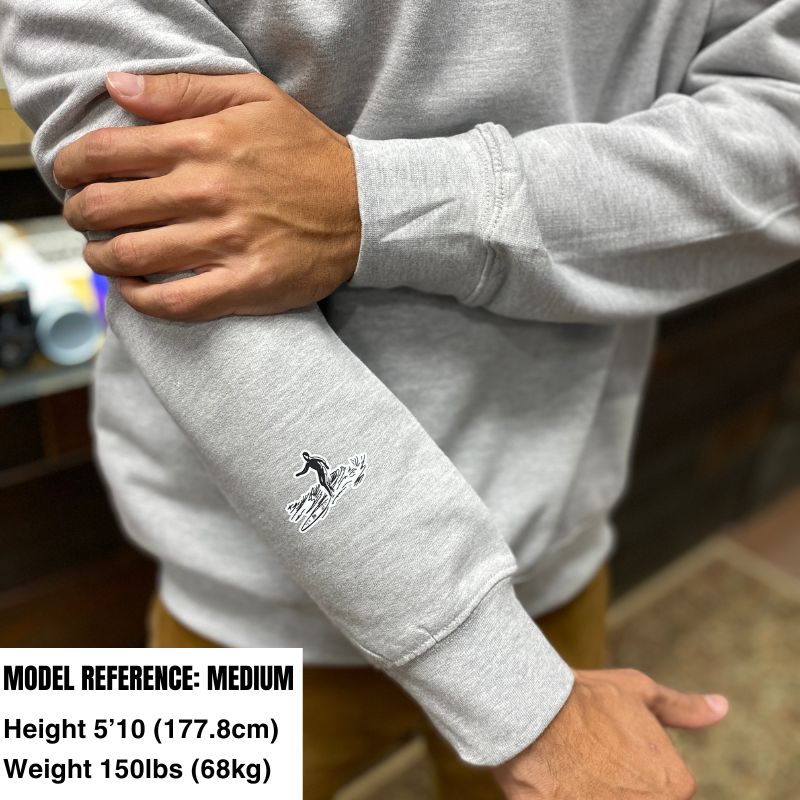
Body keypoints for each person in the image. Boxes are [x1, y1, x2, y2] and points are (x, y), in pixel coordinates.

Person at [2, 1, 798, 797]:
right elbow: (175, 245)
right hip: (243, 610)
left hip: (548, 569)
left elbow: (781, 126)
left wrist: (379, 201)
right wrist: (517, 697)